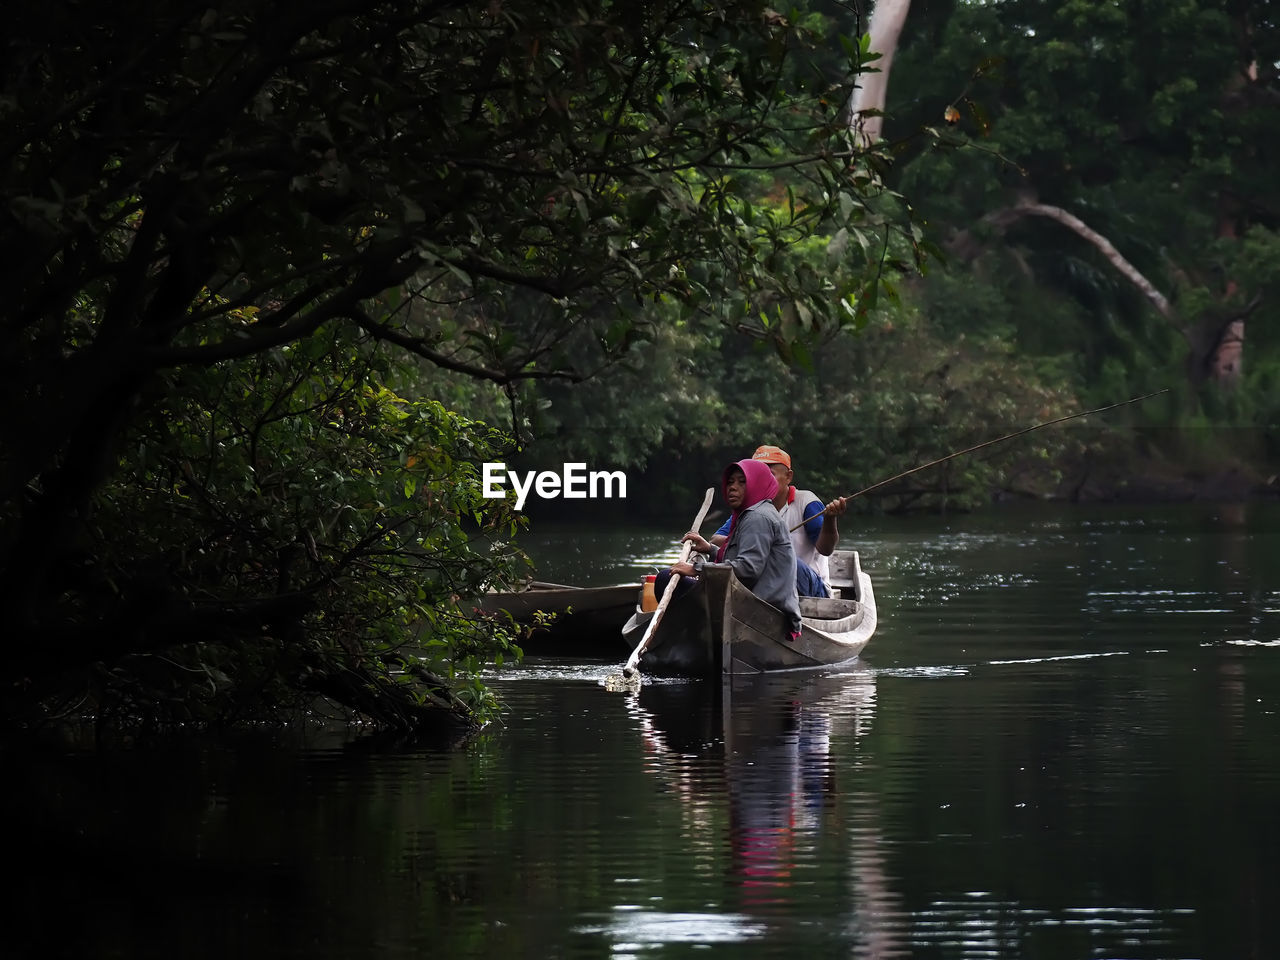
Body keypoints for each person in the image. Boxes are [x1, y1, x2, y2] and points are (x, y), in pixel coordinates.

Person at [659, 458, 801, 638]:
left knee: (665, 579)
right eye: (731, 482)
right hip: (755, 600)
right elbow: (744, 560)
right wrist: (710, 550)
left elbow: (748, 569)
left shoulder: (757, 517)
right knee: (672, 580)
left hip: (763, 606)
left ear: (757, 484)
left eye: (742, 482)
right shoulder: (749, 515)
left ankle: (687, 637)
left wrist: (696, 568)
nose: (732, 487)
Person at [711, 445, 847, 597]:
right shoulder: (749, 507)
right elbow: (716, 540)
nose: (764, 480)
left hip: (809, 587)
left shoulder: (806, 503)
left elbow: (826, 549)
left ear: (788, 477)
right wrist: (754, 542)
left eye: (770, 474)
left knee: (782, 558)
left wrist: (830, 519)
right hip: (769, 585)